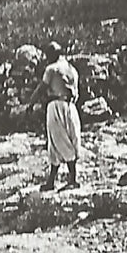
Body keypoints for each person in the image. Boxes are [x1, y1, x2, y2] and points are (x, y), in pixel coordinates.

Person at [25, 41, 81, 190]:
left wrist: (30, 104)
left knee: (58, 140)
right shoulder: (72, 69)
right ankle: (53, 180)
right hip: (71, 107)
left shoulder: (52, 69)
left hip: (56, 106)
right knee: (68, 139)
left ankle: (72, 179)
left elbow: (41, 88)